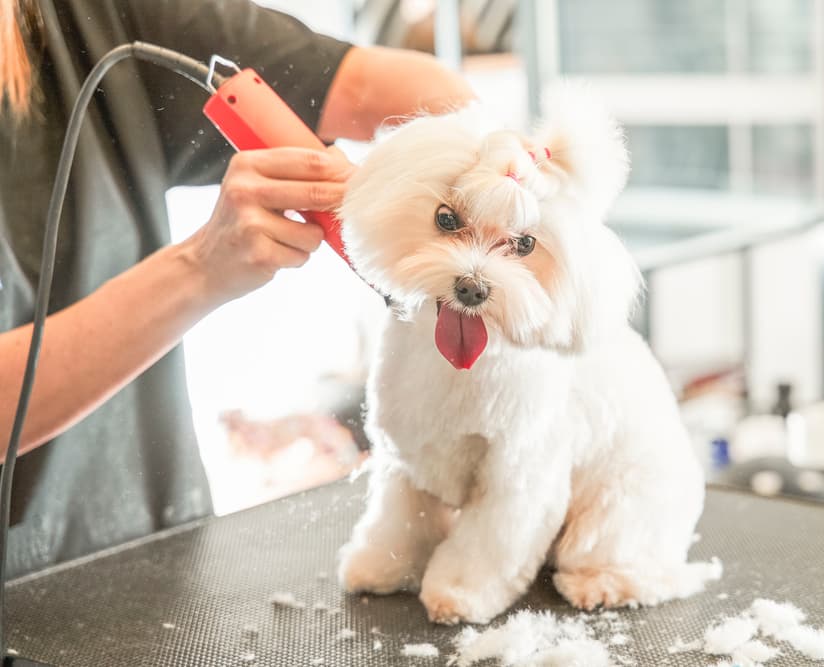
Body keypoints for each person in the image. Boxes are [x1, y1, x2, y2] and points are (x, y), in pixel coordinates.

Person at [0, 0, 474, 579]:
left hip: (148, 547)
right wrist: (202, 267)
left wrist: (477, 185)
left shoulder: (86, 15)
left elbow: (407, 91)